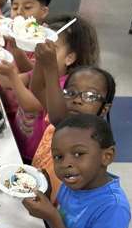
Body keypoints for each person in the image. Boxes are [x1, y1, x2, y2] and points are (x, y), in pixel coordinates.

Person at [0, 14, 99, 162]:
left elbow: (30, 104)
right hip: (16, 140)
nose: (42, 51)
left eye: (52, 48)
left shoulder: (66, 86)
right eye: (41, 44)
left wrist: (12, 75)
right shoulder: (40, 71)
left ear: (69, 58)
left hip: (33, 152)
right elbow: (8, 83)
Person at [32, 59, 115, 200]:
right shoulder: (57, 124)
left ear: (104, 109)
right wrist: (41, 59)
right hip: (33, 191)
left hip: (50, 212)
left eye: (90, 96)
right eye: (71, 92)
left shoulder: (91, 149)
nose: (77, 100)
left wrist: (51, 68)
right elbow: (37, 88)